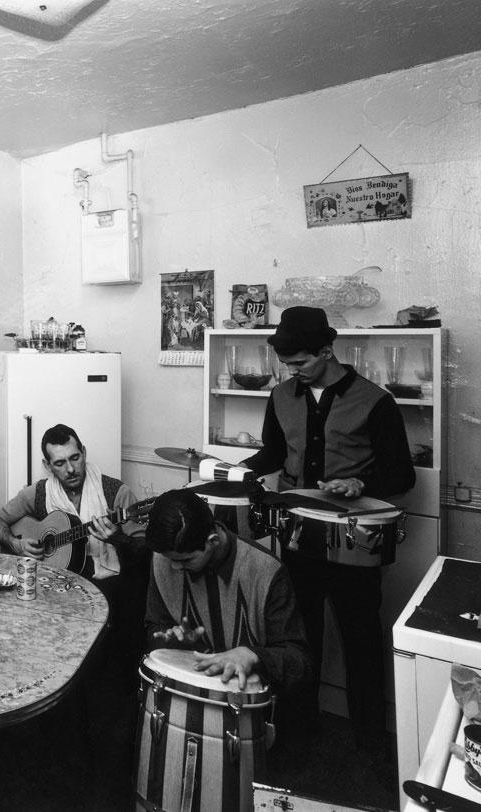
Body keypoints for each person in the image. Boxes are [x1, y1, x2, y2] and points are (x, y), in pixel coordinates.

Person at [240, 306, 416, 754]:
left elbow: (402, 476)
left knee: (361, 641)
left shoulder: (376, 400)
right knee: (300, 640)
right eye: (287, 364)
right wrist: (234, 471)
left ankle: (371, 746)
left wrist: (361, 483)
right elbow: (273, 455)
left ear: (325, 351)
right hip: (298, 538)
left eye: (300, 363)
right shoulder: (280, 396)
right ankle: (298, 735)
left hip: (354, 543)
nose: (292, 372)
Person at [0, 423, 150, 804]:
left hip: (109, 589)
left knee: (105, 689)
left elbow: (146, 551)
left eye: (75, 458)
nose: (70, 469)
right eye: (60, 463)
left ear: (84, 453)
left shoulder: (115, 492)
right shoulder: (39, 494)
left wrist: (118, 537)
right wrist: (14, 542)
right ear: (48, 465)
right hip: (58, 591)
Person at [143, 488, 312, 697]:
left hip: (255, 705)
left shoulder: (265, 570)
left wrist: (252, 655)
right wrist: (174, 641)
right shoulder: (163, 560)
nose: (175, 568)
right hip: (190, 697)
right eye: (171, 559)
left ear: (212, 541)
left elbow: (299, 661)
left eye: (185, 560)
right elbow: (155, 627)